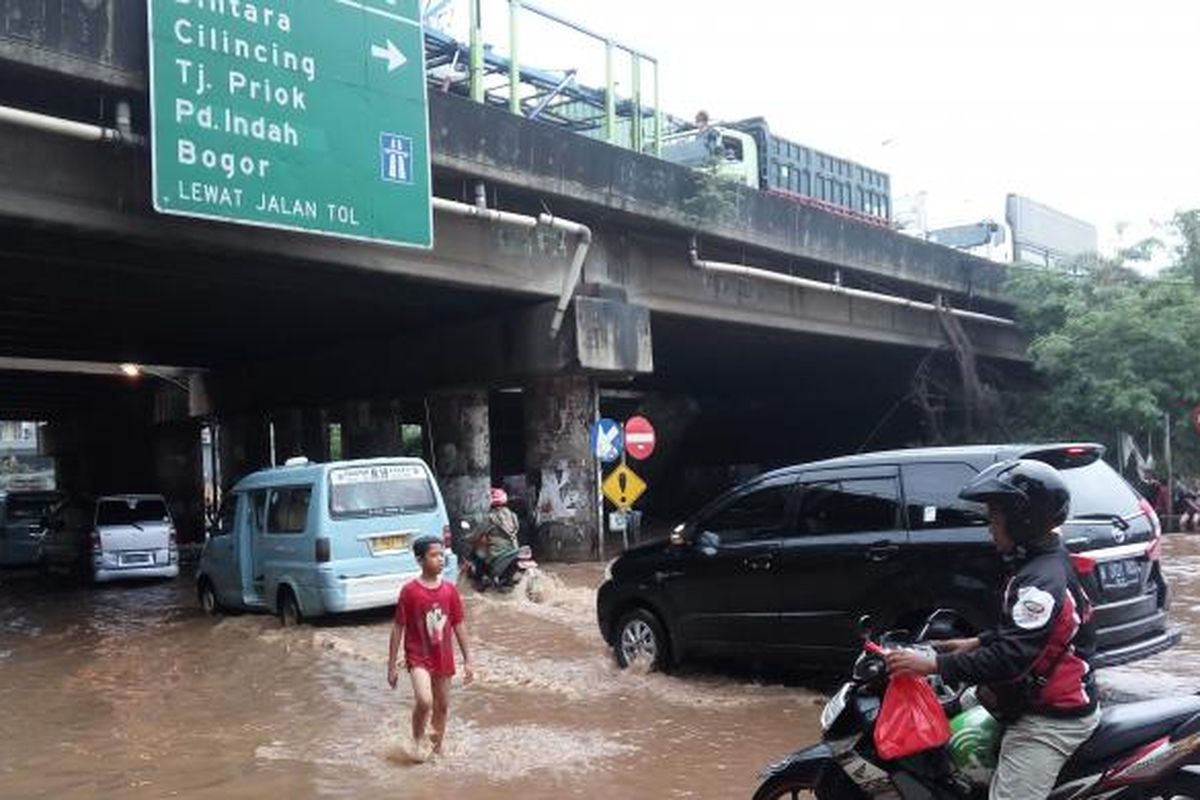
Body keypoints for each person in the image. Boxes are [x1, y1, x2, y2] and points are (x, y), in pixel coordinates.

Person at [886, 459, 1099, 800]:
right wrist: (975, 642)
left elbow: (1010, 659)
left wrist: (935, 665)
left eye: (995, 516)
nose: (990, 526)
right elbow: (1035, 634)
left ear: (1022, 520)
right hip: (1033, 692)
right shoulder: (1043, 562)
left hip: (1050, 718)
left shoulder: (1039, 583)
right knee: (952, 712)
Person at [387, 535, 473, 762]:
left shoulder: (449, 591)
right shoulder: (410, 591)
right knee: (425, 701)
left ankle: (436, 752)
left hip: (443, 657)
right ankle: (416, 743)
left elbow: (458, 625)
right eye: (434, 555)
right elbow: (398, 628)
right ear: (420, 560)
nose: (440, 559)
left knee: (442, 707)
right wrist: (391, 666)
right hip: (417, 657)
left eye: (442, 555)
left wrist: (468, 660)